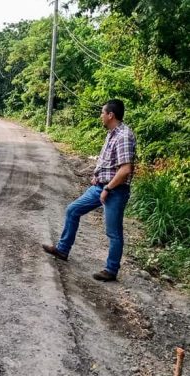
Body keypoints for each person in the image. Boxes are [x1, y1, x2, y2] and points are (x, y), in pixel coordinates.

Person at [42, 99, 137, 282]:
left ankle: (111, 270)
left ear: (111, 115)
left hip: (115, 190)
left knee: (113, 232)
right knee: (72, 210)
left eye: (103, 112)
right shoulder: (112, 134)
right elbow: (108, 162)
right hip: (100, 186)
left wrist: (108, 188)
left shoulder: (124, 136)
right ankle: (63, 250)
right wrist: (97, 175)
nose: (101, 116)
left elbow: (125, 170)